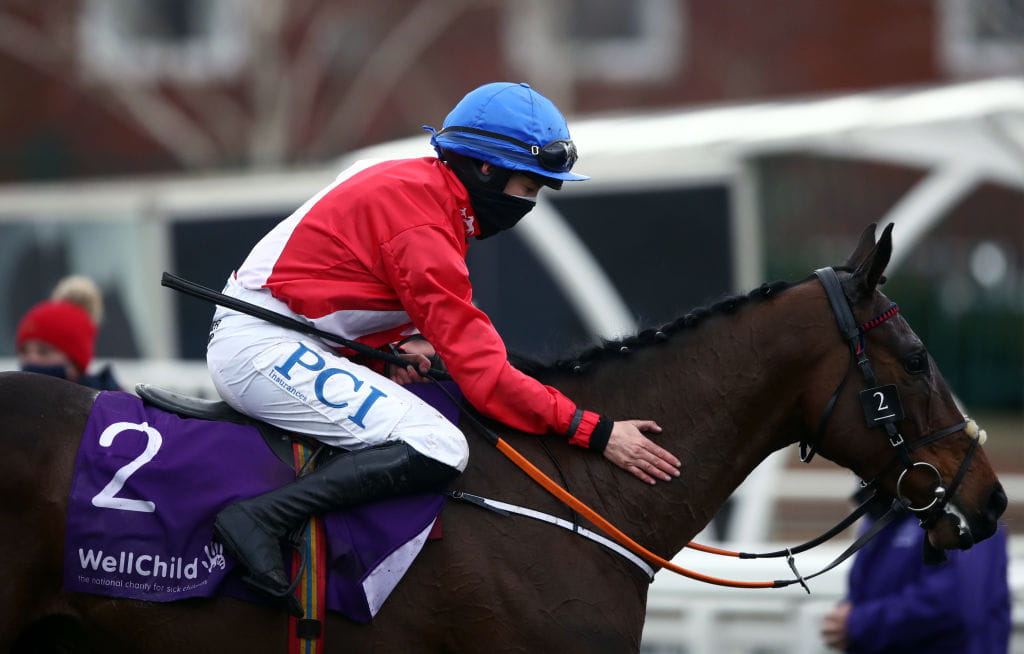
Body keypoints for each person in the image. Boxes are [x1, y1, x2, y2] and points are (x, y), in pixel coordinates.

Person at [206, 81, 681, 612]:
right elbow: (488, 381)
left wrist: (387, 346)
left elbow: (331, 286)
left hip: (286, 337)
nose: (531, 202)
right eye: (530, 186)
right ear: (485, 170)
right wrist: (595, 431)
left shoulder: (420, 189)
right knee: (439, 445)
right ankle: (261, 519)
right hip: (261, 350)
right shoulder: (423, 223)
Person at [820, 493, 1011, 653]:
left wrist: (858, 623)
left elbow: (955, 603)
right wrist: (846, 621)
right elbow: (860, 593)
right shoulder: (880, 512)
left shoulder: (965, 515)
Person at [15, 275, 121, 391]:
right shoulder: (12, 399)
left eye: (44, 351)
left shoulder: (112, 406)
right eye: (24, 351)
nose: (31, 359)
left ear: (75, 362)